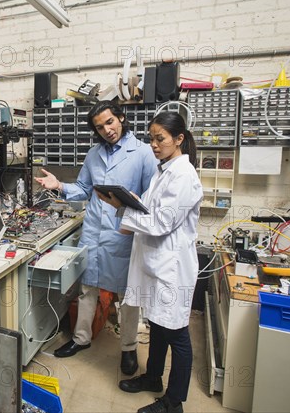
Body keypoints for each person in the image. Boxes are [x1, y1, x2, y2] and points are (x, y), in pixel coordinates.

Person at [35, 100, 157, 375]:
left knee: (127, 296)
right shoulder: (93, 154)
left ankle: (128, 348)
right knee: (87, 288)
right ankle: (81, 339)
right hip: (93, 231)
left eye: (110, 122)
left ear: (121, 118)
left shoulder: (143, 153)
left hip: (123, 234)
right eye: (100, 127)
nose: (107, 130)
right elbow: (82, 188)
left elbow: (151, 196)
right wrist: (59, 186)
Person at [95, 111, 203, 413]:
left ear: (179, 139)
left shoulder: (184, 176)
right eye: (151, 138)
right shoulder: (163, 169)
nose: (154, 145)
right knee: (157, 324)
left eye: (161, 139)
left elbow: (162, 222)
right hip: (155, 262)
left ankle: (174, 402)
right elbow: (150, 207)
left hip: (172, 267)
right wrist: (131, 200)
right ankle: (153, 378)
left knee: (177, 333)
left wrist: (122, 208)